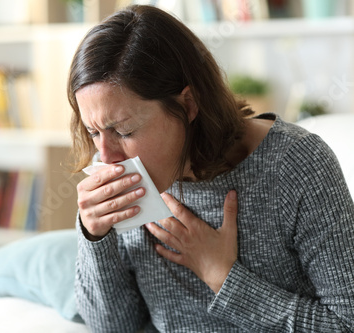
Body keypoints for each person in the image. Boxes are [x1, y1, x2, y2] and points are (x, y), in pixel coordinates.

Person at [67, 5, 354, 332]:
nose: (105, 156)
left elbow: (346, 324)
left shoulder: (296, 164)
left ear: (188, 104)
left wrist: (224, 277)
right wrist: (94, 236)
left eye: (125, 131)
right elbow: (113, 327)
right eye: (93, 132)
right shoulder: (114, 175)